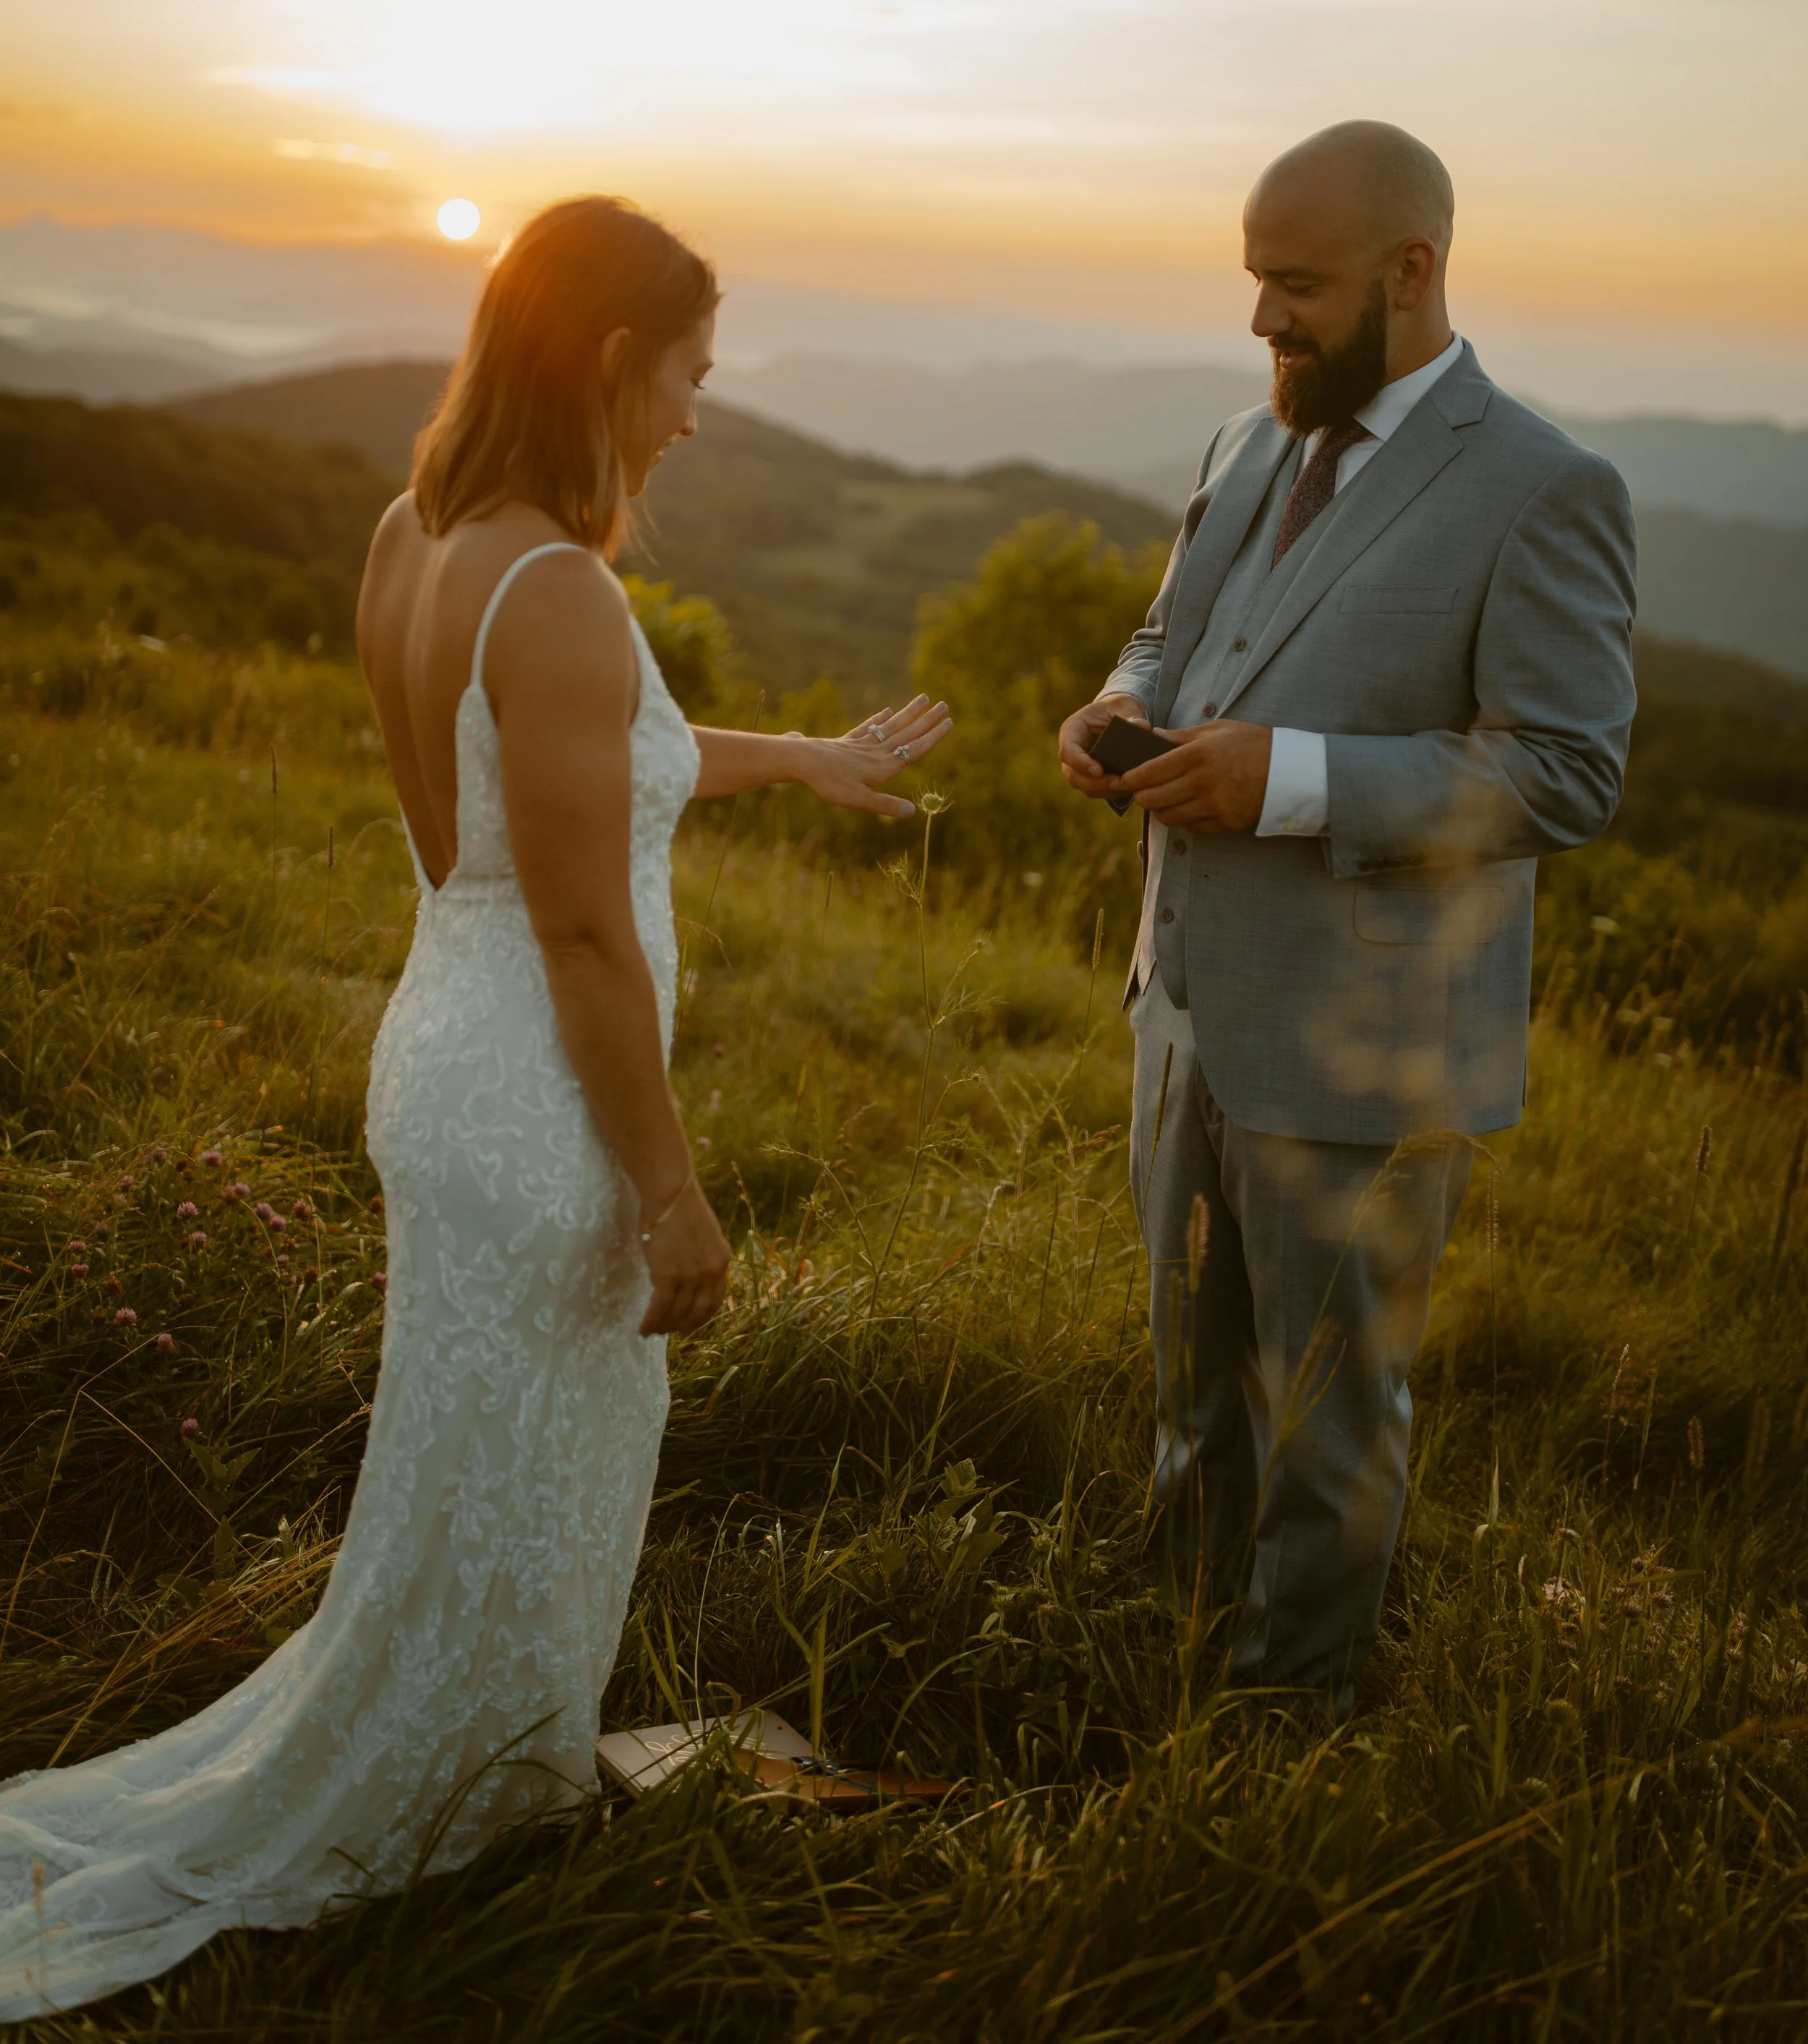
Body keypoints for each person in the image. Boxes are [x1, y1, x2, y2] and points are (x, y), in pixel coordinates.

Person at [0, 195, 952, 2020]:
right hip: (542, 1105)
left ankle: (446, 1786)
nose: (691, 415)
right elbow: (590, 932)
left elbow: (568, 775)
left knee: (455, 1488)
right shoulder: (566, 590)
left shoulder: (414, 536)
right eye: (684, 375)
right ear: (610, 362)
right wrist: (671, 1195)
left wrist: (802, 760)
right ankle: (459, 1842)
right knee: (530, 1504)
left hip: (441, 1060)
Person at [1058, 121, 1636, 1713]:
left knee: (1323, 1417)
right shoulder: (1244, 447)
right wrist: (1115, 706)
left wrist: (1289, 778)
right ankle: (1174, 1665)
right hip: (1178, 1007)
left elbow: (1567, 776)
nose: (1260, 322)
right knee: (1192, 1397)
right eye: (1252, 282)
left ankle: (1283, 1729)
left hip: (1367, 1047)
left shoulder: (1542, 487)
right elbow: (1165, 632)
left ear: (1409, 270)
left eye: (1293, 286)